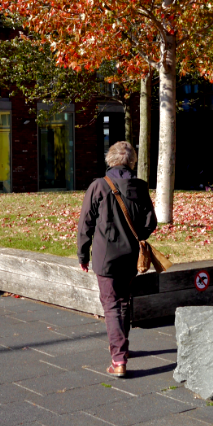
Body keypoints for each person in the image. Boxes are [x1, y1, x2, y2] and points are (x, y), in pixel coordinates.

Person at [77, 141, 157, 378]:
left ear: (109, 159)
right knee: (124, 302)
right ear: (131, 161)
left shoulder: (98, 186)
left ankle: (119, 359)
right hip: (132, 256)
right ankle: (122, 348)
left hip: (105, 256)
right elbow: (150, 222)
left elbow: (85, 225)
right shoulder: (140, 187)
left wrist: (82, 254)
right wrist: (137, 237)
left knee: (112, 305)